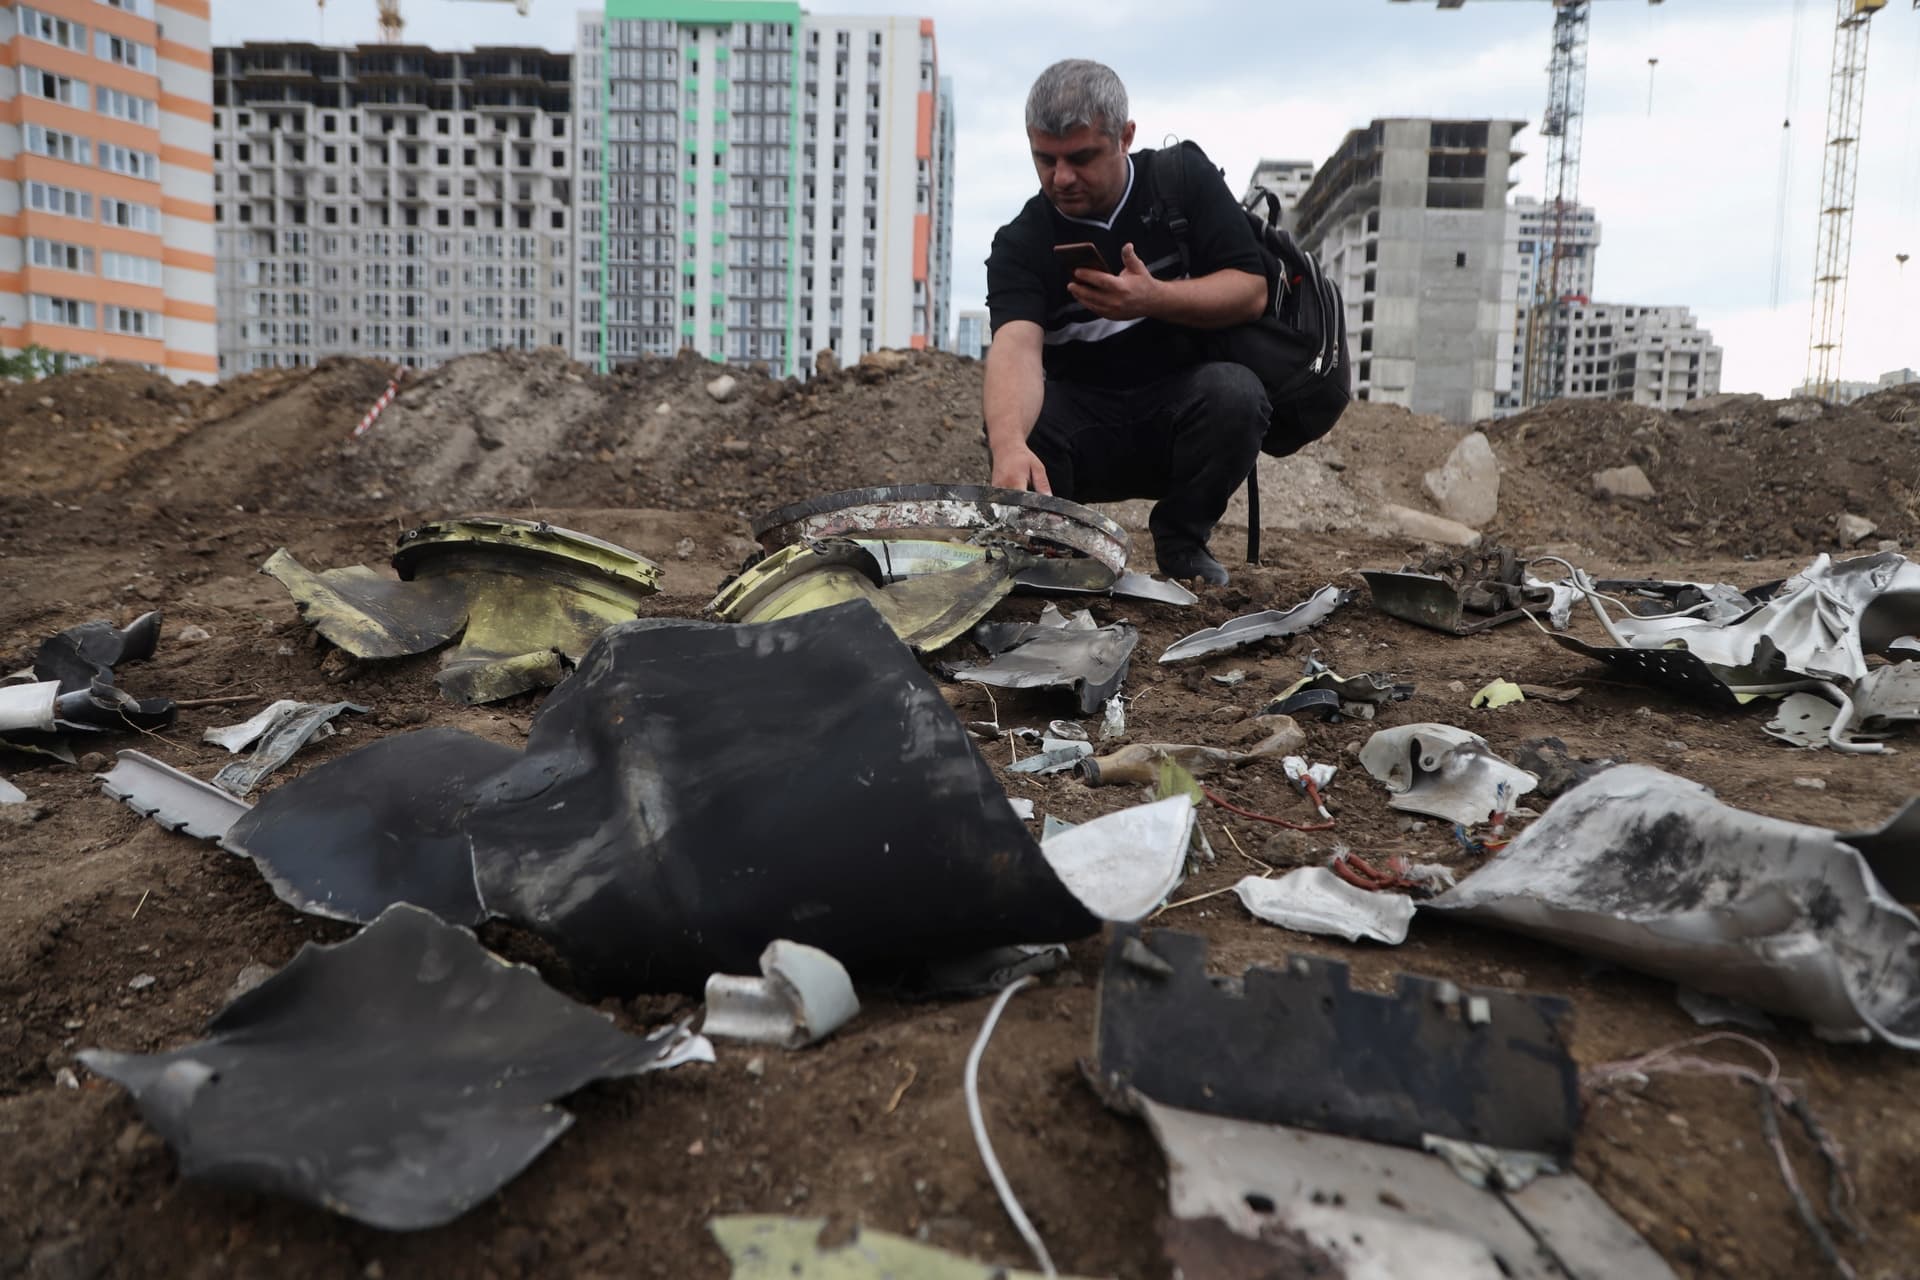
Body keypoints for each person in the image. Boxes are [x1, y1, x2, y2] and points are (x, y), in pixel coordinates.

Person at [984, 59, 1271, 586]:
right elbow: (1015, 348)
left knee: (1236, 393)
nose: (1061, 177)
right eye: (1044, 159)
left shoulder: (1182, 182)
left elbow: (1251, 290)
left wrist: (1152, 297)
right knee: (1019, 424)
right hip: (1083, 432)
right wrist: (1007, 444)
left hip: (1181, 416)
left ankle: (1182, 541)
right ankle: (1058, 550)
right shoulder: (1021, 242)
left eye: (1081, 157)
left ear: (1125, 137)